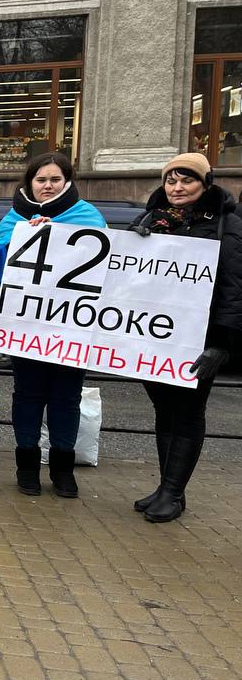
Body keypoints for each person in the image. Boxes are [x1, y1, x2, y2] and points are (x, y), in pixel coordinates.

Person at [0, 152, 105, 498]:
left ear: (66, 181)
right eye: (41, 180)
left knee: (67, 399)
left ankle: (63, 470)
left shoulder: (88, 218)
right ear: (29, 183)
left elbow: (105, 272)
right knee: (28, 396)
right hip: (25, 326)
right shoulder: (12, 221)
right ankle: (27, 466)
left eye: (54, 179)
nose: (47, 186)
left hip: (71, 328)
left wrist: (61, 236)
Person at [127, 153, 242, 523]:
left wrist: (222, 344)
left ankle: (173, 493)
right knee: (165, 411)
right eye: (171, 181)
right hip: (155, 336)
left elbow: (234, 287)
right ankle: (167, 487)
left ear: (205, 184)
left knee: (189, 413)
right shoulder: (149, 218)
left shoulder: (228, 224)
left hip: (201, 337)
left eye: (187, 181)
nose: (177, 188)